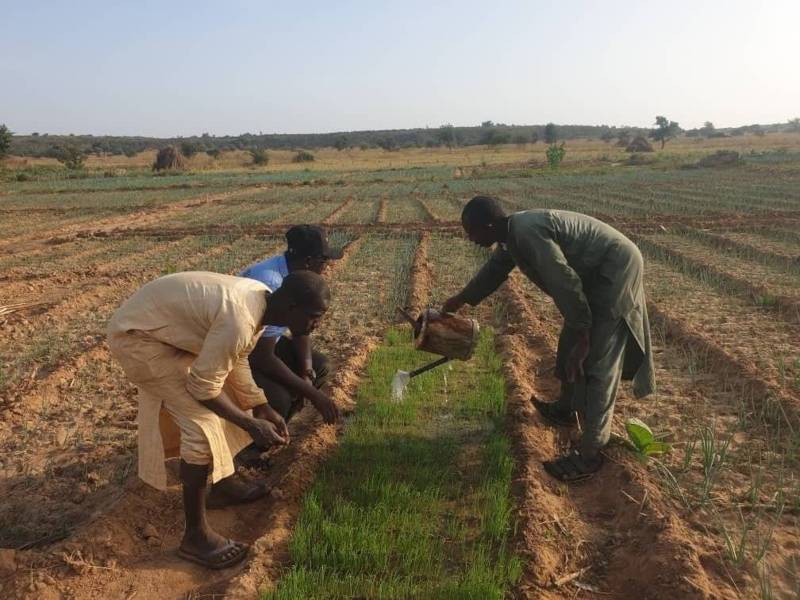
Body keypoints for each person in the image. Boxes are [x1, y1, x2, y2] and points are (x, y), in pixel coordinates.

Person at [107, 270, 333, 569]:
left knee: (231, 404)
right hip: (139, 339)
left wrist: (259, 404)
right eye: (314, 316)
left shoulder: (261, 302)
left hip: (167, 335)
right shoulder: (240, 318)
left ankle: (223, 486)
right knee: (203, 426)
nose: (317, 324)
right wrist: (250, 423)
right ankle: (195, 537)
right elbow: (203, 387)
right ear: (291, 307)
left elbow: (237, 357)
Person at [443, 196, 655, 482]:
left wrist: (583, 333)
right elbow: (493, 272)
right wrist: (460, 300)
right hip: (596, 270)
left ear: (489, 225)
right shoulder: (510, 236)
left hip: (615, 269)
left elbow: (564, 281)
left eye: (472, 231)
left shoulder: (526, 233)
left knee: (597, 361)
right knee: (570, 341)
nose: (470, 239)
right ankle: (566, 408)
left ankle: (591, 452)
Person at [240, 225, 342, 430]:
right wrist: (310, 392)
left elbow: (300, 327)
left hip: (264, 343)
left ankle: (279, 430)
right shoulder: (270, 281)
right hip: (243, 347)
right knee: (279, 398)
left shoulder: (296, 276)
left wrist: (306, 371)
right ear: (308, 262)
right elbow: (261, 356)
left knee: (319, 366)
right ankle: (252, 448)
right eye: (324, 261)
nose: (327, 267)